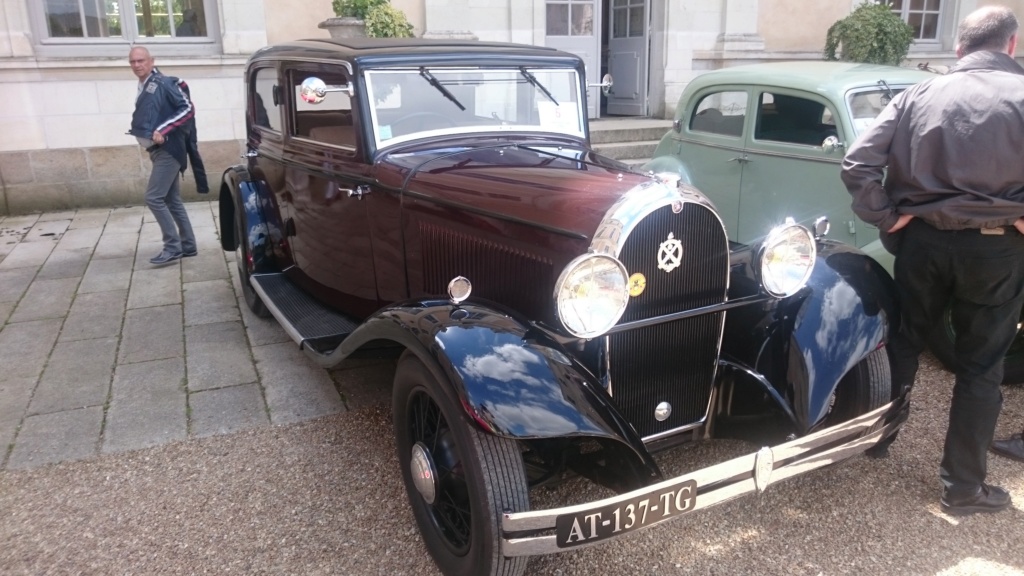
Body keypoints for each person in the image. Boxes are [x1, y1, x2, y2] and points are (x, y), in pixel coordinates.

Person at [841, 5, 1024, 516]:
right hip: (996, 247)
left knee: (904, 341)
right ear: (1011, 45)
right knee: (981, 365)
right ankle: (963, 488)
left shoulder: (916, 95)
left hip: (921, 240)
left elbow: (857, 162)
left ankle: (877, 439)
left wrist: (887, 217)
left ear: (959, 47)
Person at [128, 45, 198, 265]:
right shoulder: (145, 84)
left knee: (154, 197)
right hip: (159, 151)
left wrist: (163, 129)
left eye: (141, 60)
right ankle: (188, 246)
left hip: (168, 150)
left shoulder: (163, 83)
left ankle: (172, 247)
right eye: (133, 62)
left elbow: (187, 108)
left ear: (152, 61)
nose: (137, 65)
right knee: (171, 199)